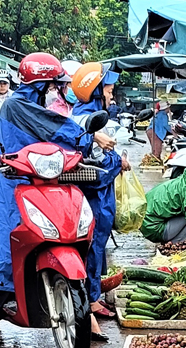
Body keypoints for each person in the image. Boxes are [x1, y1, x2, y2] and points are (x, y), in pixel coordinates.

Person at [0, 52, 113, 348]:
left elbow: (61, 138)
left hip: (47, 182)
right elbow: (60, 130)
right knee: (4, 252)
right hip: (13, 185)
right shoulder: (16, 106)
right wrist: (89, 138)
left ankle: (82, 310)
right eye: (54, 85)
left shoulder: (41, 106)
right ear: (42, 85)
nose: (58, 90)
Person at [71, 62, 131, 323]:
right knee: (93, 246)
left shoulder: (95, 113)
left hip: (101, 194)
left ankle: (93, 292)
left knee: (97, 247)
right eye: (108, 90)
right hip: (93, 194)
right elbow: (95, 165)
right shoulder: (85, 118)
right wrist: (117, 161)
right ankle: (92, 299)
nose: (111, 95)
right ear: (95, 90)